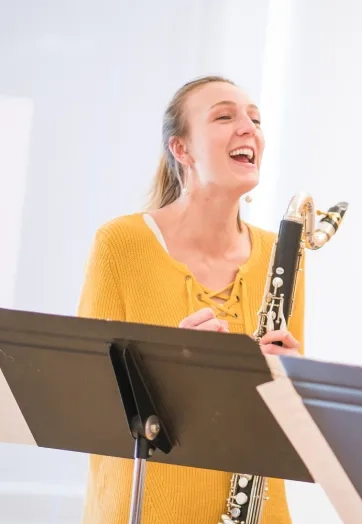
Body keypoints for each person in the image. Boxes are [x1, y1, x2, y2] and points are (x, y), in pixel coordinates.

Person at [77, 75, 304, 524]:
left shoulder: (285, 253)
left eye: (255, 119)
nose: (249, 129)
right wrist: (171, 371)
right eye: (225, 116)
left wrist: (292, 378)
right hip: (146, 509)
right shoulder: (120, 244)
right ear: (181, 149)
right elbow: (88, 403)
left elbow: (289, 423)